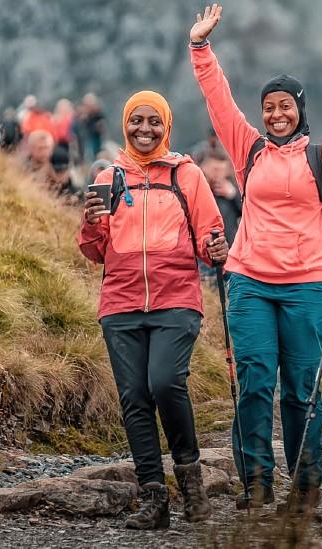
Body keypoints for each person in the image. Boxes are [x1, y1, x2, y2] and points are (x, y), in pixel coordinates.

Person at [189, 3, 322, 511]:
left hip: (308, 285)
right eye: (270, 107)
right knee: (255, 383)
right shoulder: (248, 150)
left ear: (300, 109)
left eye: (285, 106)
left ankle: (306, 488)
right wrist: (201, 48)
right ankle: (257, 483)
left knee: (302, 392)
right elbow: (220, 102)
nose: (277, 114)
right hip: (249, 283)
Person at [78, 90, 228, 529]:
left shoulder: (187, 175)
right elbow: (93, 251)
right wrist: (89, 222)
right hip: (120, 304)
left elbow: (209, 235)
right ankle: (153, 498)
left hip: (176, 300)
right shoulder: (107, 178)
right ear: (125, 123)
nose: (144, 130)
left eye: (154, 122)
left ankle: (192, 482)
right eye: (136, 121)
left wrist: (216, 246)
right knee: (134, 399)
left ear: (167, 125)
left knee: (165, 383)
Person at [198, 148, 242, 245]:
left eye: (223, 170)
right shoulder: (197, 190)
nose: (218, 174)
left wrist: (234, 195)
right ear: (203, 167)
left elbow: (248, 214)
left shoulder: (233, 188)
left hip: (229, 246)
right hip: (202, 246)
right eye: (215, 169)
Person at [78, 93, 107, 163]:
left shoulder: (98, 114)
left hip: (96, 141)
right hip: (86, 142)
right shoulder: (83, 115)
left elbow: (101, 128)